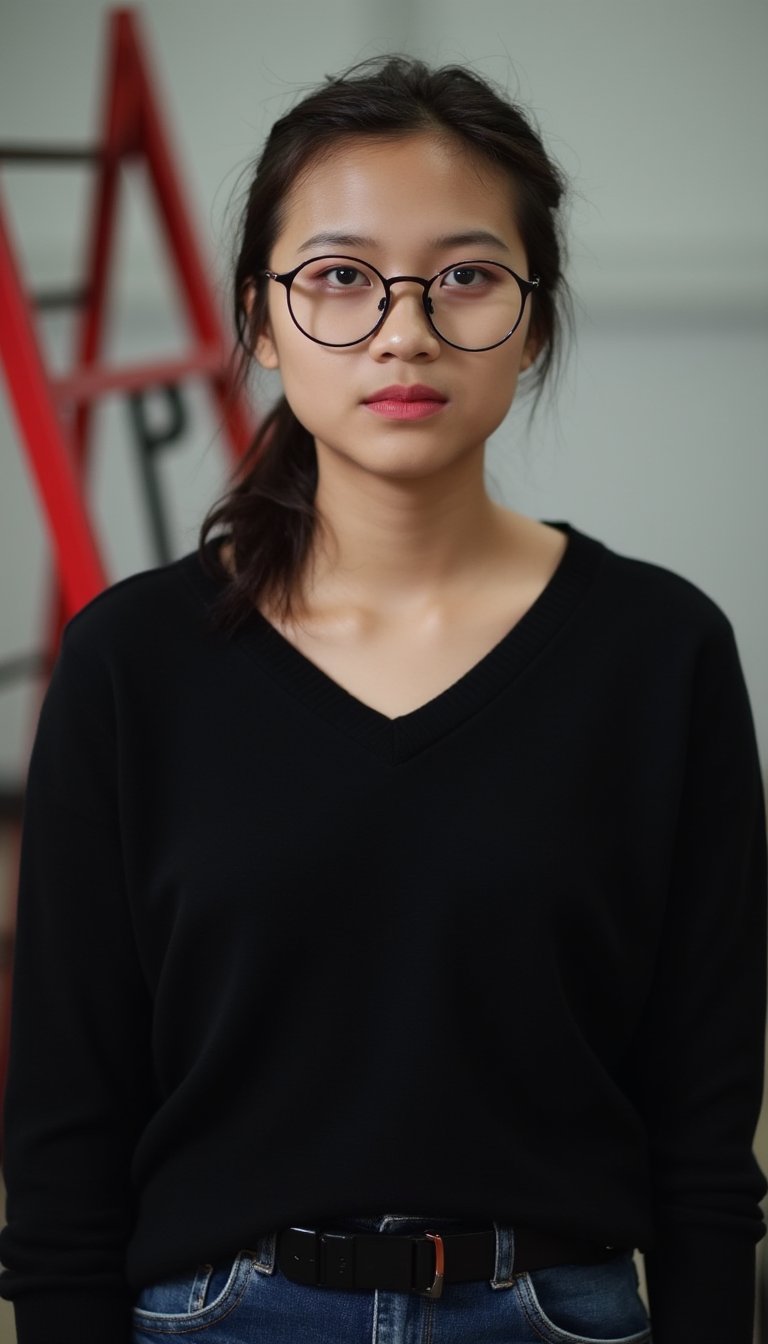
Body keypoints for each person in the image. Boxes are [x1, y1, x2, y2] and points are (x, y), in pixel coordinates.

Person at [0, 54, 765, 1344]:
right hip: (212, 1317)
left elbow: (705, 1112)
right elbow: (67, 1124)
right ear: (258, 318)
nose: (404, 329)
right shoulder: (132, 662)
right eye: (340, 277)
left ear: (532, 318)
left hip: (557, 1315)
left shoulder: (660, 652)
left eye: (465, 275)